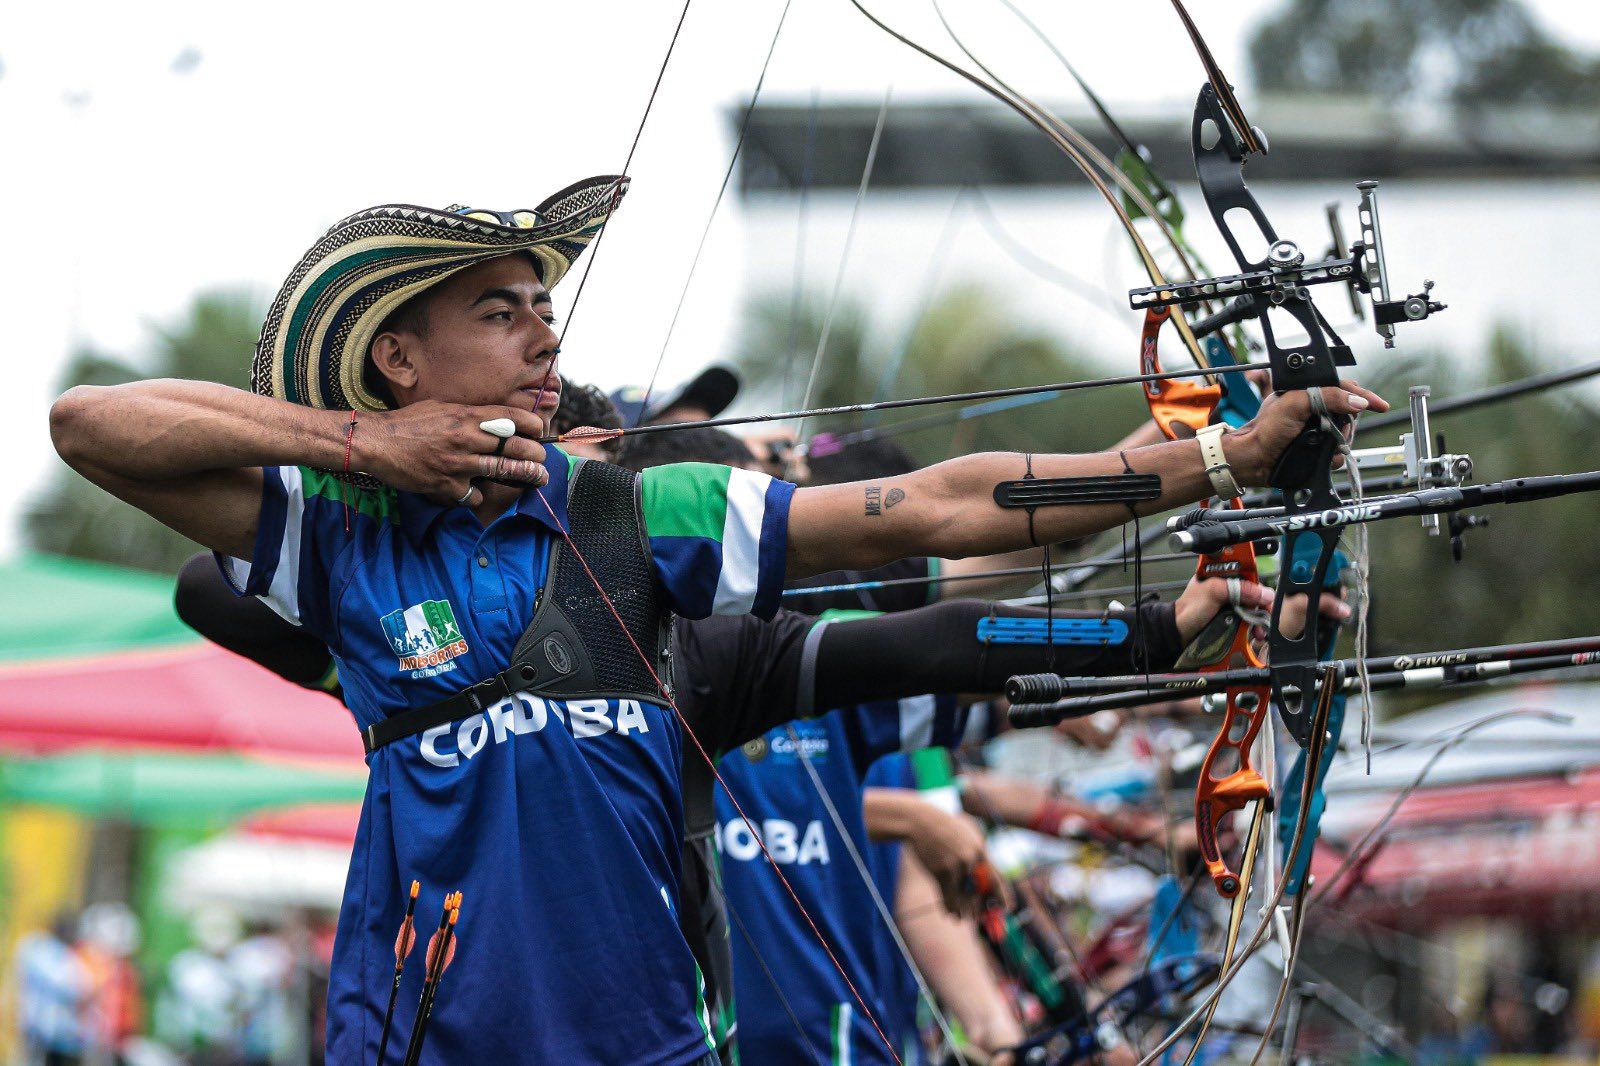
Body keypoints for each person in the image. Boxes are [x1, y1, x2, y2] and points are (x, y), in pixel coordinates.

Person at [54, 182, 1383, 1065]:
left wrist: (1212, 469)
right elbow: (90, 427)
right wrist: (369, 444)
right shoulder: (342, 535)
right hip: (414, 1037)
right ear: (399, 357)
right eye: (497, 311)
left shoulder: (640, 514)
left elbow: (928, 519)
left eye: (545, 309)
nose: (542, 334)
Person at [15, 913, 90, 1066]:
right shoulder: (44, 951)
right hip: (39, 1026)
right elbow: (67, 985)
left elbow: (83, 987)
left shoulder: (63, 955)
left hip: (55, 1032)